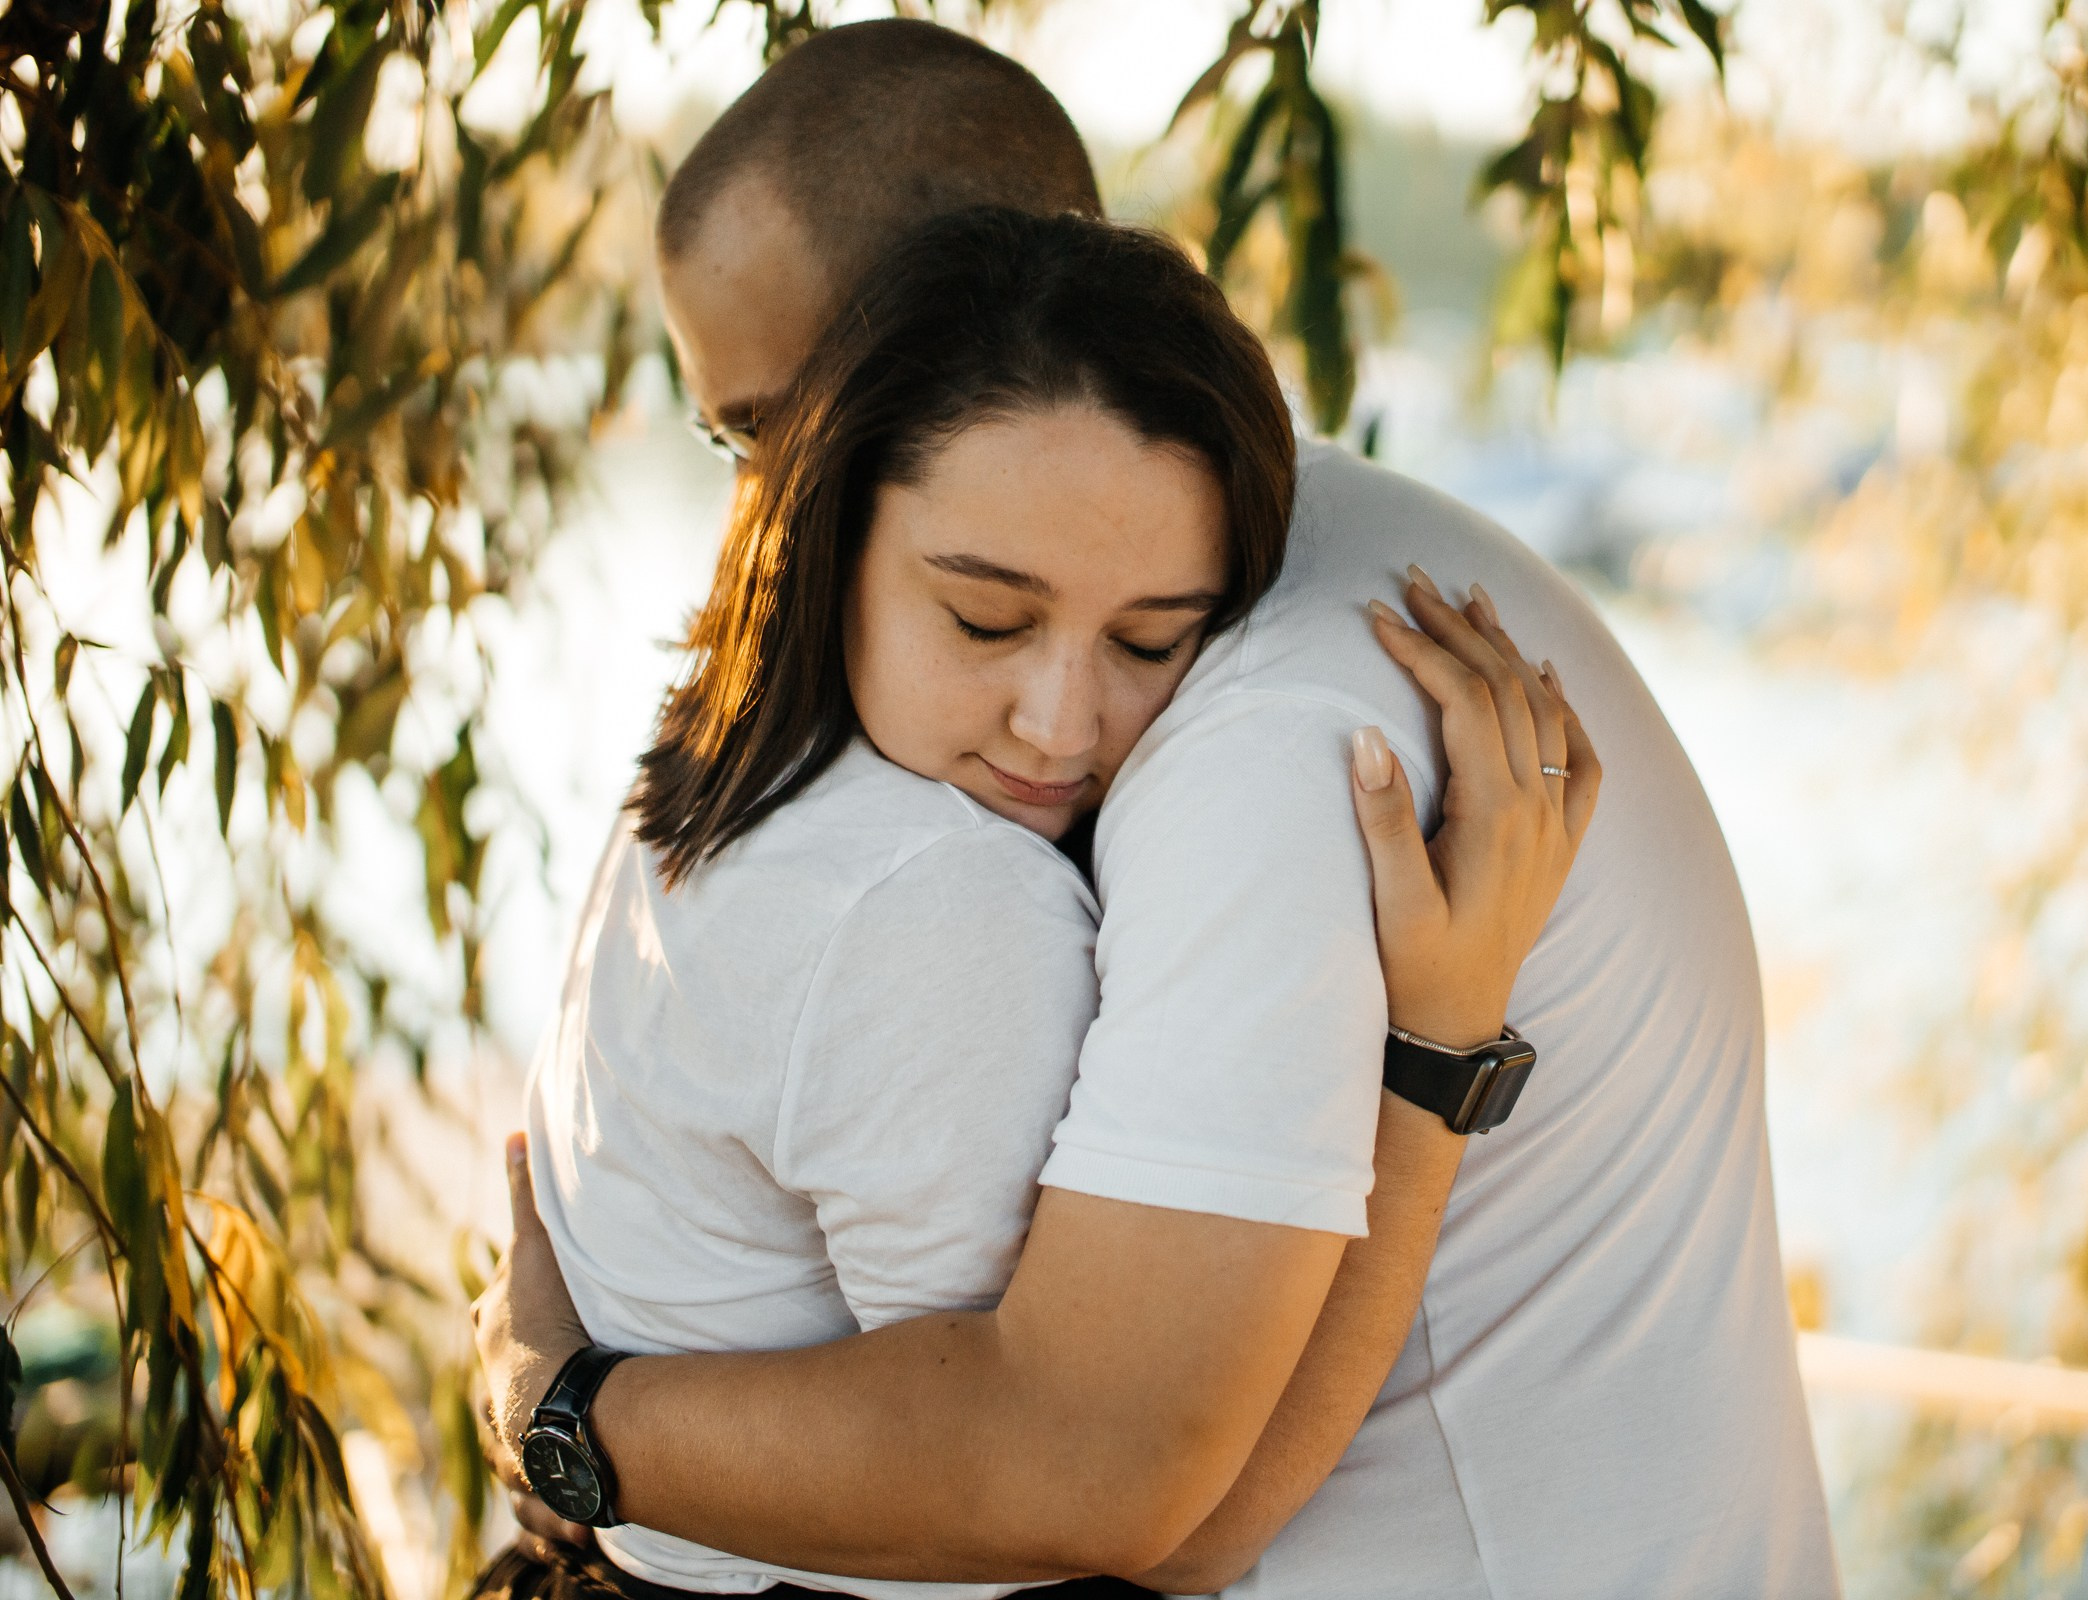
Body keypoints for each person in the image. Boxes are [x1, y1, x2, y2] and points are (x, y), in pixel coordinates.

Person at [480, 18, 1839, 1599]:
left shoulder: (1272, 747)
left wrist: (557, 1411)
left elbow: (1111, 1496)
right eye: (734, 443)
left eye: (789, 434)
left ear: (960, 331)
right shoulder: (1041, 668)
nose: (761, 522)